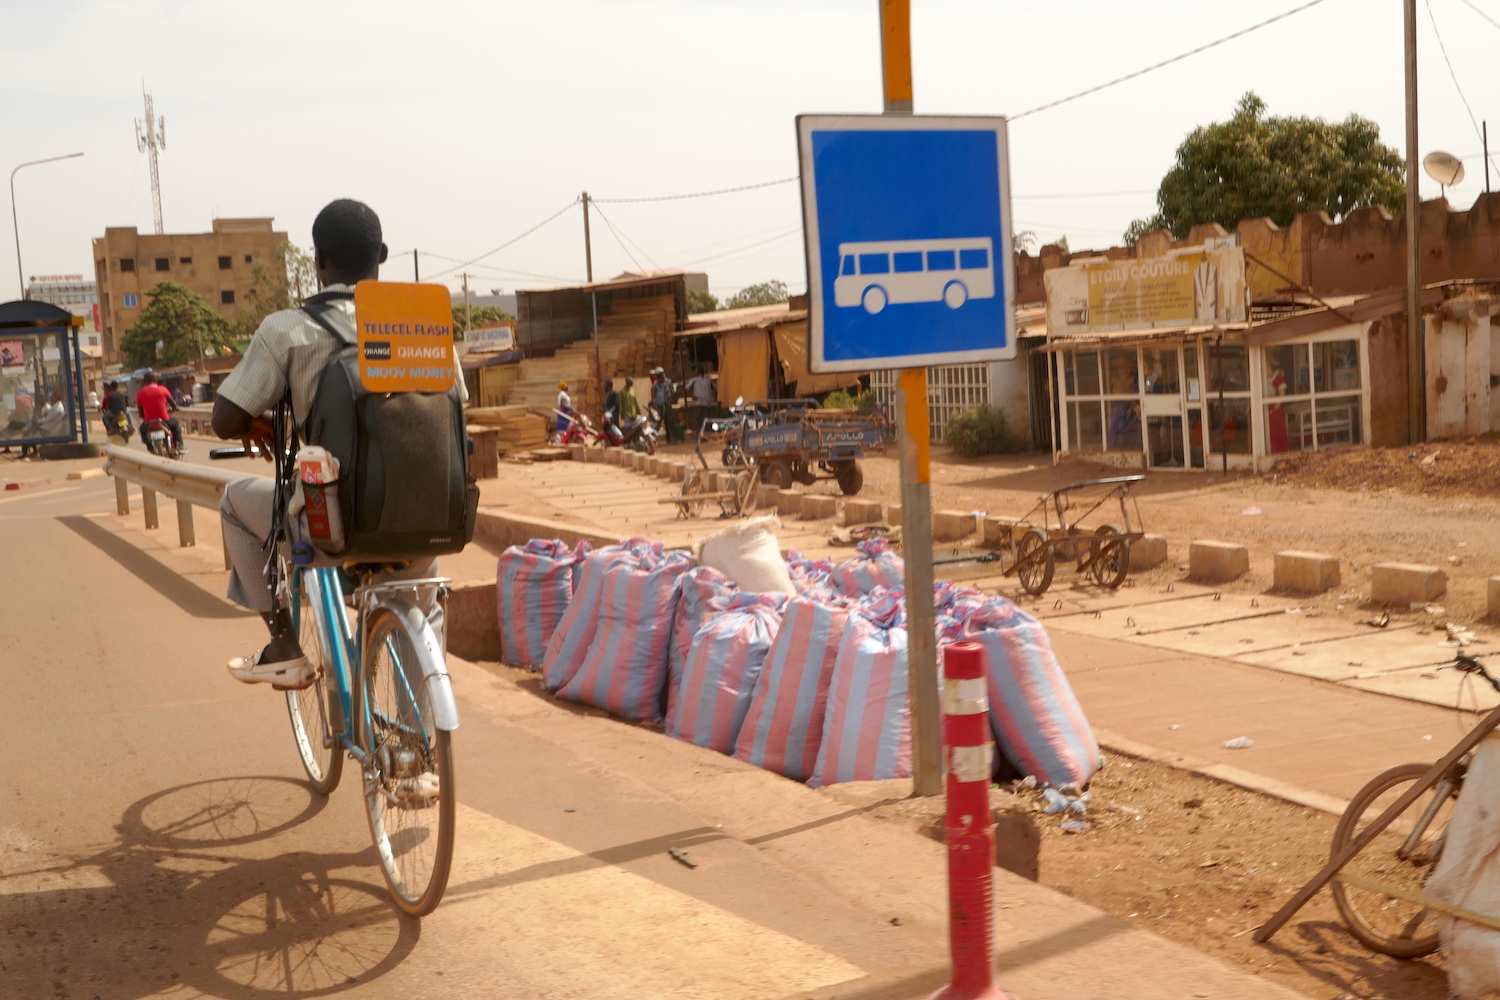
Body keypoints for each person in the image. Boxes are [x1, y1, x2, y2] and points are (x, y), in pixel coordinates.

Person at [211, 198, 465, 688]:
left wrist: (260, 423)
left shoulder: (287, 328)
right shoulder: (424, 326)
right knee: (422, 601)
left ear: (319, 260)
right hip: (425, 515)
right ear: (383, 255)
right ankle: (423, 741)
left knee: (232, 504)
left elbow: (225, 420)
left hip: (328, 523)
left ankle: (283, 643)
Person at [135, 371, 183, 453]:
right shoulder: (163, 389)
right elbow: (174, 406)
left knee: (142, 429)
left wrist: (146, 417)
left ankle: (150, 447)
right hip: (165, 419)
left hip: (149, 422)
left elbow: (140, 413)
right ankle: (179, 445)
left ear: (144, 382)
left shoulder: (139, 394)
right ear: (155, 380)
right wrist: (173, 409)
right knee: (175, 424)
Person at [685, 368, 715, 440]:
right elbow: (715, 387)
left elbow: (686, 388)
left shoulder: (694, 380)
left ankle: (699, 437)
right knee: (705, 420)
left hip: (698, 403)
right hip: (706, 402)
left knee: (698, 421)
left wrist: (692, 396)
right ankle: (705, 437)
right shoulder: (708, 380)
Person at [650, 367, 678, 443]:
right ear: (659, 378)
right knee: (657, 425)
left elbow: (664, 397)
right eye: (662, 377)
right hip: (658, 407)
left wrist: (669, 406)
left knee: (670, 421)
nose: (664, 379)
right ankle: (651, 440)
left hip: (664, 406)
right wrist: (657, 410)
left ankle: (673, 439)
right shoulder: (654, 387)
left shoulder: (662, 386)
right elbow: (653, 400)